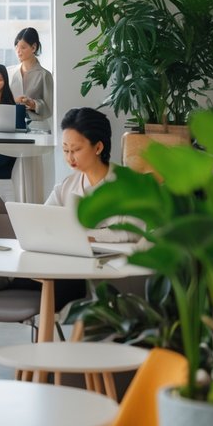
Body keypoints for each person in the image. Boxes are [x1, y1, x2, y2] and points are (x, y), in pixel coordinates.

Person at [39, 107, 138, 309]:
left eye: (75, 150)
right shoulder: (68, 184)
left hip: (116, 271)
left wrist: (85, 235)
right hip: (71, 267)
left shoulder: (128, 184)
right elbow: (44, 219)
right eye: (65, 150)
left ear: (98, 147)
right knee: (30, 282)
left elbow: (131, 231)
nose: (69, 157)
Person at [9, 27, 55, 131]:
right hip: (12, 126)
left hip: (38, 127)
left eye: (23, 47)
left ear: (33, 47)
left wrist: (33, 104)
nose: (18, 51)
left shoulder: (45, 75)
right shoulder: (10, 73)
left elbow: (49, 108)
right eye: (17, 47)